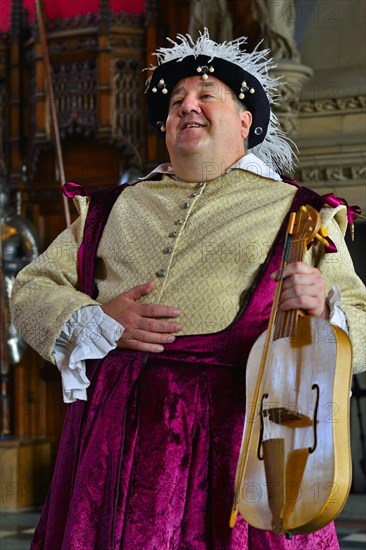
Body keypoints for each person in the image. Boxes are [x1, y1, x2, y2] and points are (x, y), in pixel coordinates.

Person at [10, 29, 365, 549]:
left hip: (240, 438)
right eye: (176, 100)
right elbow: (32, 287)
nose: (187, 106)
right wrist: (97, 319)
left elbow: (360, 315)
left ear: (245, 122)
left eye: (206, 95)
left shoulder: (303, 212)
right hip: (116, 434)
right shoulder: (112, 207)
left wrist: (324, 307)